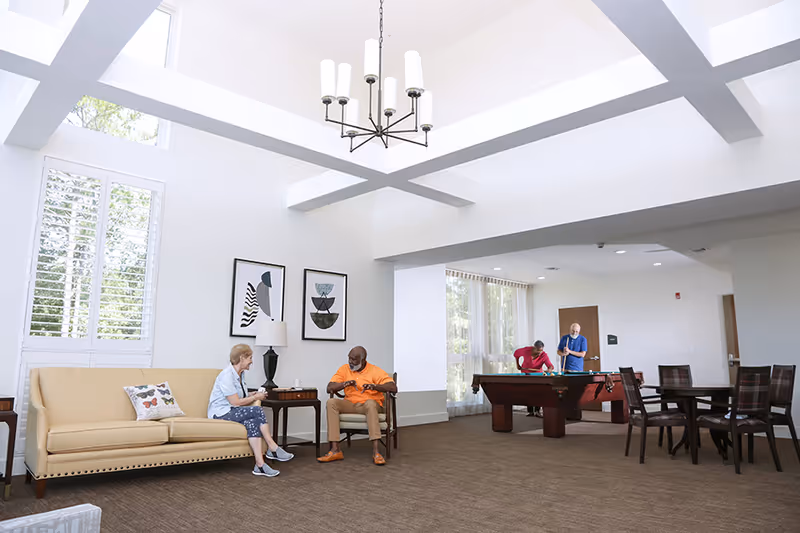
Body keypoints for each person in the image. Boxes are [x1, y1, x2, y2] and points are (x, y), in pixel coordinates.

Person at [208, 344, 294, 477]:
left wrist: (253, 395)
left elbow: (238, 396)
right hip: (220, 413)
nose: (251, 361)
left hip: (231, 410)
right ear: (242, 358)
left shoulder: (239, 375)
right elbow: (235, 402)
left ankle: (260, 465)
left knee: (252, 423)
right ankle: (272, 447)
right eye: (250, 358)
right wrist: (256, 398)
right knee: (257, 411)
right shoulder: (227, 376)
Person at [317, 346, 397, 466]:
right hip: (351, 404)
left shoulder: (375, 371)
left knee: (370, 403)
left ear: (363, 360)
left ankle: (376, 452)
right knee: (331, 403)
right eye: (349, 358)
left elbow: (392, 387)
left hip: (370, 404)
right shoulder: (344, 369)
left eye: (354, 360)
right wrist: (345, 384)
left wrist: (374, 386)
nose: (351, 362)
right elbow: (330, 388)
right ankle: (335, 450)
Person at [514, 340, 554, 417]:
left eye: (541, 351)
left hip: (537, 375)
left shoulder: (544, 355)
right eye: (538, 350)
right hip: (526, 373)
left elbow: (550, 365)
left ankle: (537, 411)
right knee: (528, 392)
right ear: (534, 348)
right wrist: (517, 365)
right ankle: (531, 411)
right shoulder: (526, 350)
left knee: (538, 392)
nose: (539, 352)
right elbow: (516, 354)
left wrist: (549, 369)